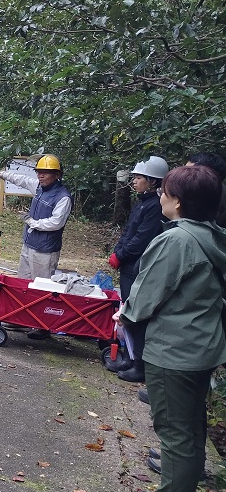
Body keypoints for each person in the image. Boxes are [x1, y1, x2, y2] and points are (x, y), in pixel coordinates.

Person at [116, 164, 226, 492]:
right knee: (192, 428)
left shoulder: (176, 241)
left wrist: (125, 314)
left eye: (165, 191)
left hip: (174, 349)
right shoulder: (214, 236)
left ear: (176, 201)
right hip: (203, 345)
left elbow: (146, 295)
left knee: (175, 431)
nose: (160, 195)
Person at [104, 155, 168, 383]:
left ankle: (140, 364)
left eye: (139, 177)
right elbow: (128, 232)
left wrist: (121, 255)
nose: (134, 181)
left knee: (136, 316)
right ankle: (130, 357)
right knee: (126, 313)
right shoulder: (142, 203)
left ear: (152, 181)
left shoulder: (155, 208)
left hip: (139, 268)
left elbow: (142, 239)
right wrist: (117, 252)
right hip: (128, 266)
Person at [0, 154, 72, 280]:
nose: (40, 176)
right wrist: (0, 174)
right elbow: (21, 179)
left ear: (57, 175)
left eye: (45, 173)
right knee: (22, 283)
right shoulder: (39, 187)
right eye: (38, 172)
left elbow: (56, 222)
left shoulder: (63, 197)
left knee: (40, 287)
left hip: (45, 251)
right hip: (28, 244)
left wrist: (33, 222)